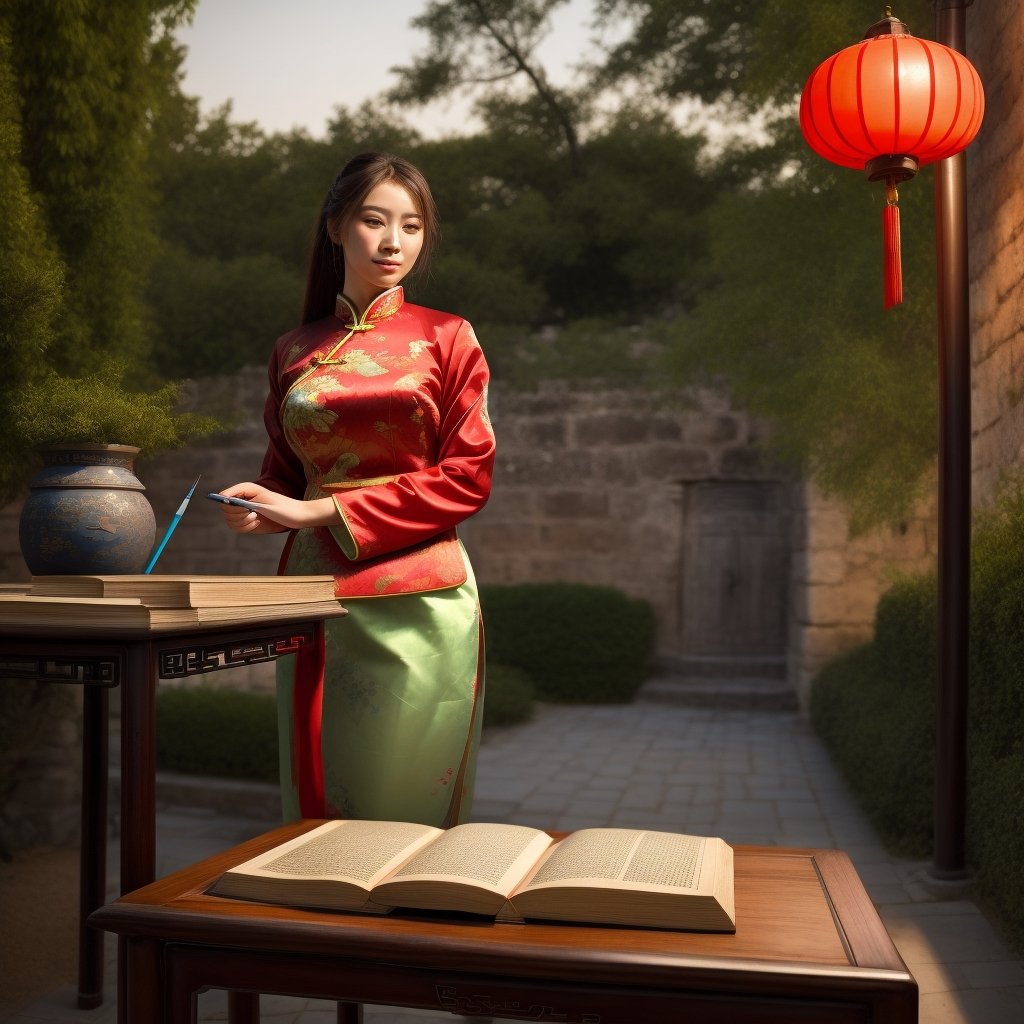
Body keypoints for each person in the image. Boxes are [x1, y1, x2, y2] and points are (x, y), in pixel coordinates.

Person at [215, 152, 495, 829]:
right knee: (318, 810)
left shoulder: (447, 338)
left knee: (403, 815)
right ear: (336, 226)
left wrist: (316, 510)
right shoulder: (294, 350)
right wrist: (261, 507)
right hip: (312, 601)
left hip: (419, 600)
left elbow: (467, 478)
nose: (395, 241)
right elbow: (282, 470)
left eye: (413, 225)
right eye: (375, 220)